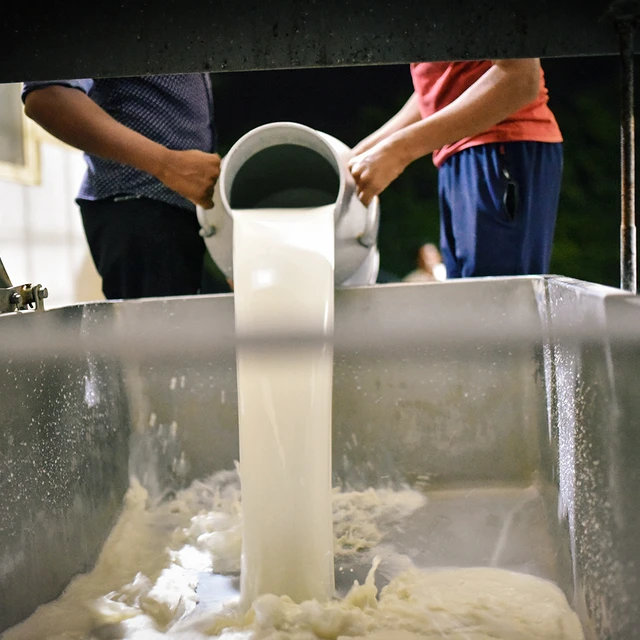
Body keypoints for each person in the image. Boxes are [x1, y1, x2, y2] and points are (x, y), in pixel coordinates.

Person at [348, 59, 563, 279]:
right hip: (457, 153)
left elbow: (521, 79)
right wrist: (355, 154)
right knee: (468, 297)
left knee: (493, 301)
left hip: (500, 143)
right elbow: (439, 86)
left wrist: (398, 151)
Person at [22, 75, 223, 300]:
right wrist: (166, 164)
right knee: (159, 334)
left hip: (176, 212)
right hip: (140, 207)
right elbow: (46, 96)